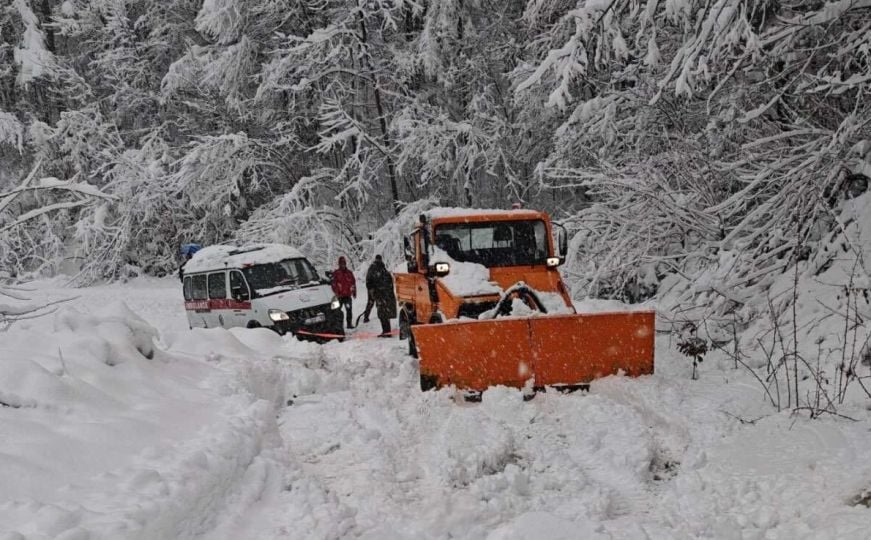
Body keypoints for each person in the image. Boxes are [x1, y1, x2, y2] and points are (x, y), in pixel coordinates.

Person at [363, 255, 396, 336]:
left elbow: (368, 282)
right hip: (384, 294)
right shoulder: (383, 269)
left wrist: (372, 291)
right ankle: (387, 331)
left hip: (380, 294)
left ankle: (386, 331)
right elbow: (390, 282)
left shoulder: (374, 269)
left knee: (382, 313)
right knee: (385, 313)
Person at [331, 256, 356, 328]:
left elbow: (353, 283)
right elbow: (333, 284)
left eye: (344, 263)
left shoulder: (349, 273)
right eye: (341, 263)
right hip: (338, 296)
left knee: (349, 310)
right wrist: (336, 292)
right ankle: (337, 326)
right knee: (336, 311)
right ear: (339, 264)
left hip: (347, 296)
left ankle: (349, 324)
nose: (343, 265)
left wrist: (354, 292)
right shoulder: (336, 273)